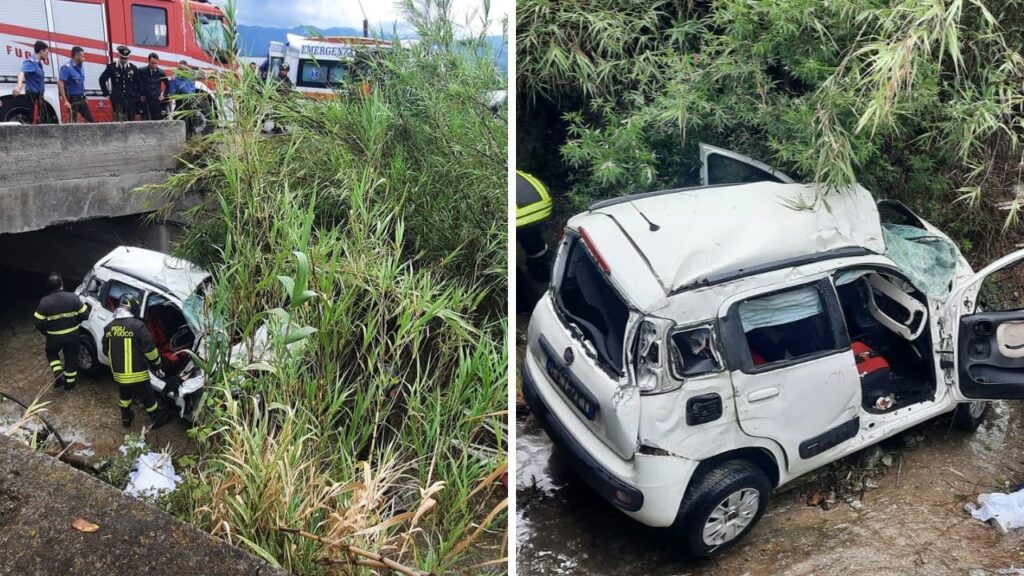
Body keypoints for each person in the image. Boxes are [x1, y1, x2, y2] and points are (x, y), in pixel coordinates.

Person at [102, 294, 172, 429]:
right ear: (132, 307)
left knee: (125, 395)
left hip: (119, 373)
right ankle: (156, 418)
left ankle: (126, 417)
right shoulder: (137, 326)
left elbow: (106, 350)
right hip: (137, 373)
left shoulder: (109, 327)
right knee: (148, 396)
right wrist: (157, 365)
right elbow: (149, 350)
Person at [33, 273, 90, 391]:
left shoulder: (44, 302)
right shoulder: (73, 297)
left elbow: (38, 322)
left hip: (54, 337)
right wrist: (76, 322)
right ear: (62, 284)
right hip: (73, 335)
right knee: (71, 358)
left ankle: (58, 372)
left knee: (51, 353)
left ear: (49, 286)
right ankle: (69, 385)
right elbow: (85, 315)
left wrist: (47, 332)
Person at [516, 170, 554, 313]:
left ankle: (526, 302)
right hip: (537, 201)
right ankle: (542, 270)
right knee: (532, 238)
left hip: (521, 212)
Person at [11, 41, 52, 124]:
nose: (48, 55)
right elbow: (21, 72)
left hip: (39, 95)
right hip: (31, 95)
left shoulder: (39, 63)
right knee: (29, 119)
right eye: (47, 52)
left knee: (43, 119)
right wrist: (19, 86)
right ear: (41, 51)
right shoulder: (31, 62)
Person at [99, 46, 141, 121]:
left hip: (130, 100)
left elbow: (139, 83)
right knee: (118, 121)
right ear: (119, 55)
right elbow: (102, 80)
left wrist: (137, 95)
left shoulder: (133, 68)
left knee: (131, 121)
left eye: (125, 58)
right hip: (117, 100)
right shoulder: (111, 67)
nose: (124, 60)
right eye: (122, 58)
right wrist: (106, 94)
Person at [58, 46, 93, 123]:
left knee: (90, 120)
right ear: (76, 56)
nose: (84, 59)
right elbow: (60, 83)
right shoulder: (67, 68)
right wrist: (65, 100)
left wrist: (84, 96)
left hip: (81, 98)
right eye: (82, 56)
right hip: (72, 99)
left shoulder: (80, 67)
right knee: (73, 121)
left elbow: (81, 83)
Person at [168, 60, 199, 136]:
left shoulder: (191, 77)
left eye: (184, 69)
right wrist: (170, 112)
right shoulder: (174, 79)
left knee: (192, 124)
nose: (182, 71)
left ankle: (191, 138)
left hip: (191, 103)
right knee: (182, 126)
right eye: (180, 69)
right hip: (181, 104)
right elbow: (171, 96)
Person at [139, 53, 169, 120]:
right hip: (146, 101)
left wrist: (164, 95)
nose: (154, 65)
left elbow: (168, 84)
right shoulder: (141, 71)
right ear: (148, 61)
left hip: (156, 101)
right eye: (152, 63)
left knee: (157, 121)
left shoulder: (161, 72)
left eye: (156, 63)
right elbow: (136, 84)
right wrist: (139, 96)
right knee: (146, 121)